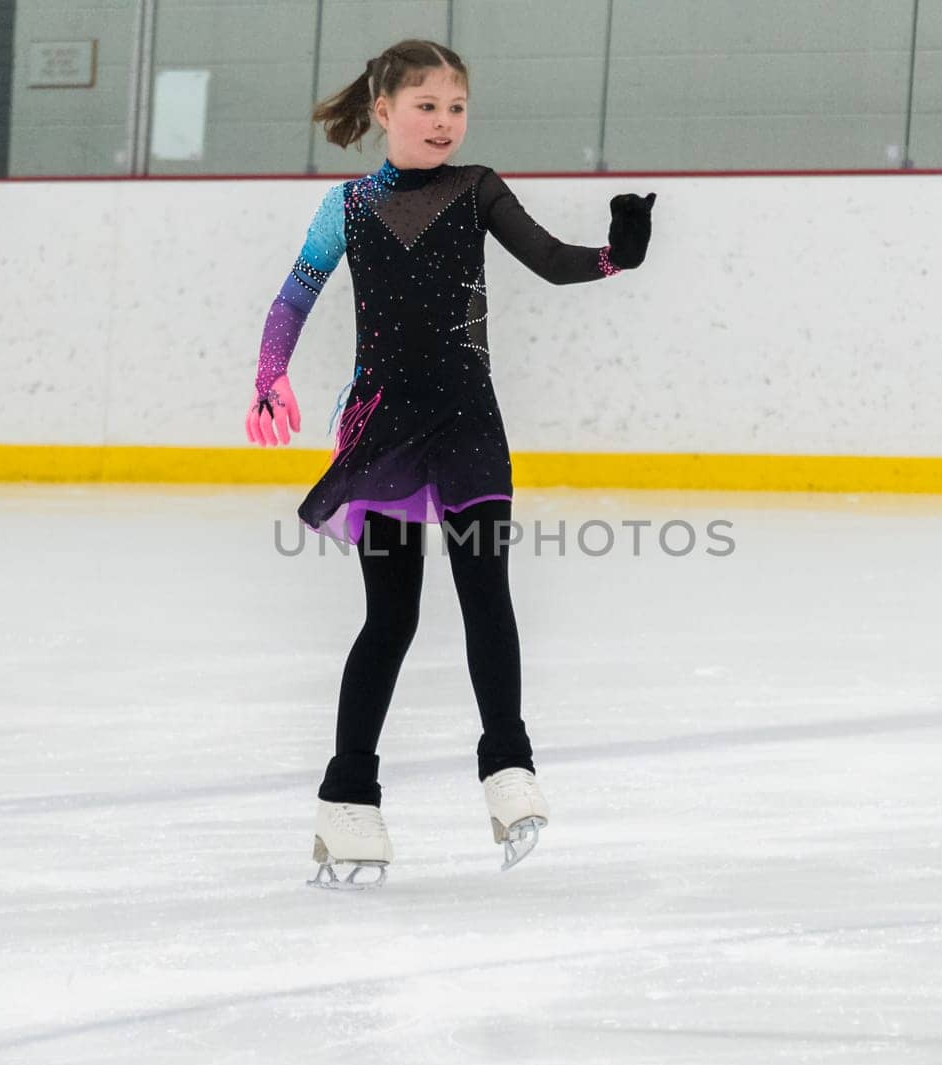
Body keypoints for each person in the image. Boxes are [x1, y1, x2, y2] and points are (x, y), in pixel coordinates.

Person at [245, 39, 655, 889]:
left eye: (457, 107)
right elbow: (294, 296)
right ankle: (348, 795)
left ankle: (508, 770)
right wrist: (267, 374)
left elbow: (548, 260)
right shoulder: (346, 206)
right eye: (426, 106)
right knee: (389, 620)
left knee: (485, 595)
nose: (444, 122)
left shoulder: (477, 189)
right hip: (385, 432)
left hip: (469, 424)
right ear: (384, 110)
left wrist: (617, 255)